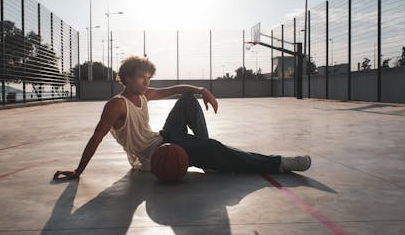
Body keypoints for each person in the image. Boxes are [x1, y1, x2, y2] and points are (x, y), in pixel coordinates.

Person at [53, 56, 311, 180]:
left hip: (162, 138)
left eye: (148, 77)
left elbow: (176, 90)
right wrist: (78, 170)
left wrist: (201, 90)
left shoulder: (143, 95)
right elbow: (96, 137)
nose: (147, 82)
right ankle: (279, 163)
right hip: (151, 155)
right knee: (216, 149)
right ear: (127, 77)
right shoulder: (116, 106)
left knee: (187, 100)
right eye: (142, 77)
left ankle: (206, 152)